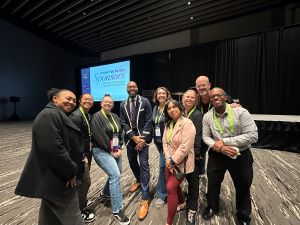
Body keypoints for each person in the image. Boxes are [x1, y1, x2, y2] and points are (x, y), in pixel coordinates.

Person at [15, 88, 85, 225]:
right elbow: (53, 149)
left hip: (51, 178)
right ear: (55, 99)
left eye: (74, 100)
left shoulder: (56, 114)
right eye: (68, 98)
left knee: (48, 218)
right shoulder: (49, 115)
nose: (72, 102)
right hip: (59, 178)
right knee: (73, 217)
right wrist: (71, 171)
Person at [201, 87, 258, 225]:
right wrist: (219, 148)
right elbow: (205, 137)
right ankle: (212, 207)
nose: (215, 98)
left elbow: (253, 136)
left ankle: (243, 215)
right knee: (213, 183)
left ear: (226, 97)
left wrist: (225, 142)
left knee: (243, 185)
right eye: (212, 96)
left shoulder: (240, 112)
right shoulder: (207, 116)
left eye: (218, 95)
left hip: (240, 154)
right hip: (217, 154)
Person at [91, 94, 130, 225]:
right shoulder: (97, 116)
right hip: (101, 151)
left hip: (115, 150)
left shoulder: (115, 117)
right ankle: (117, 210)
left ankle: (105, 193)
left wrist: (119, 147)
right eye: (105, 102)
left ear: (112, 105)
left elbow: (118, 134)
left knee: (116, 172)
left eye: (110, 102)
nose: (108, 104)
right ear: (101, 104)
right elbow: (99, 136)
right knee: (115, 175)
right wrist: (111, 151)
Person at [120, 81, 152, 221]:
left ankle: (145, 197)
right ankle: (138, 180)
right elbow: (123, 122)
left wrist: (141, 139)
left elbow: (149, 120)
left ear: (137, 88)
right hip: (130, 139)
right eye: (129, 87)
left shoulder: (145, 101)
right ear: (127, 89)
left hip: (143, 139)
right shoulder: (122, 104)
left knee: (144, 164)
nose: (131, 88)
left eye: (133, 86)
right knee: (132, 161)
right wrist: (133, 138)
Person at [195, 75, 239, 175]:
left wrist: (232, 105)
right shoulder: (196, 100)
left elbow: (233, 106)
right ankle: (201, 175)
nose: (201, 88)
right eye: (198, 86)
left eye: (203, 85)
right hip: (203, 132)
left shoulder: (217, 96)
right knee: (199, 157)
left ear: (209, 85)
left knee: (221, 160)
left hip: (218, 133)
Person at [163, 100, 196, 225]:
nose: (172, 110)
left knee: (170, 188)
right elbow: (165, 143)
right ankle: (182, 203)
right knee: (173, 187)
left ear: (179, 108)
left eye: (174, 107)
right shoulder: (169, 124)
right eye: (169, 108)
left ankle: (169, 222)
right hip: (169, 161)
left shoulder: (187, 123)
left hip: (182, 163)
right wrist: (167, 159)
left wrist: (172, 160)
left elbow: (185, 147)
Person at [69, 93, 95, 223]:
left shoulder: (88, 116)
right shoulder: (76, 117)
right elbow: (73, 141)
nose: (88, 101)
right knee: (83, 182)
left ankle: (82, 201)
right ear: (80, 101)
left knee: (83, 181)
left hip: (86, 153)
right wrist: (82, 157)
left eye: (90, 99)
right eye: (85, 99)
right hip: (80, 156)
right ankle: (79, 211)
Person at [182, 89, 203, 225]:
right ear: (183, 99)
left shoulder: (197, 114)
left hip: (192, 155)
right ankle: (187, 201)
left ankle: (192, 210)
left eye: (191, 97)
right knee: (183, 179)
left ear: (195, 100)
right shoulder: (181, 112)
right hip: (181, 154)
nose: (189, 99)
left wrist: (193, 155)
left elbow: (198, 137)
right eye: (187, 97)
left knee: (193, 183)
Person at [152, 87, 172, 208]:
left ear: (167, 94)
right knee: (167, 167)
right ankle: (172, 190)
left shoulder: (170, 106)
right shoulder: (155, 108)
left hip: (169, 143)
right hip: (159, 143)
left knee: (163, 167)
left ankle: (161, 194)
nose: (161, 95)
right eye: (159, 93)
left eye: (163, 93)